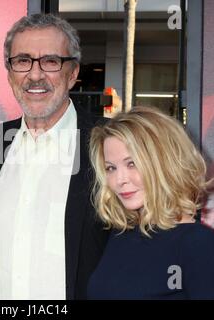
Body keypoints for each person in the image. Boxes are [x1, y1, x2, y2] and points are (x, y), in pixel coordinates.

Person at [0, 13, 108, 300]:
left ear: (73, 73)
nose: (35, 75)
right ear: (10, 73)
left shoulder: (110, 143)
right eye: (23, 61)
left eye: (50, 61)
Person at [87, 106, 214, 299]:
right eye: (111, 168)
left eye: (132, 164)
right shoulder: (121, 234)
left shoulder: (197, 244)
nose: (120, 179)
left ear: (164, 163)